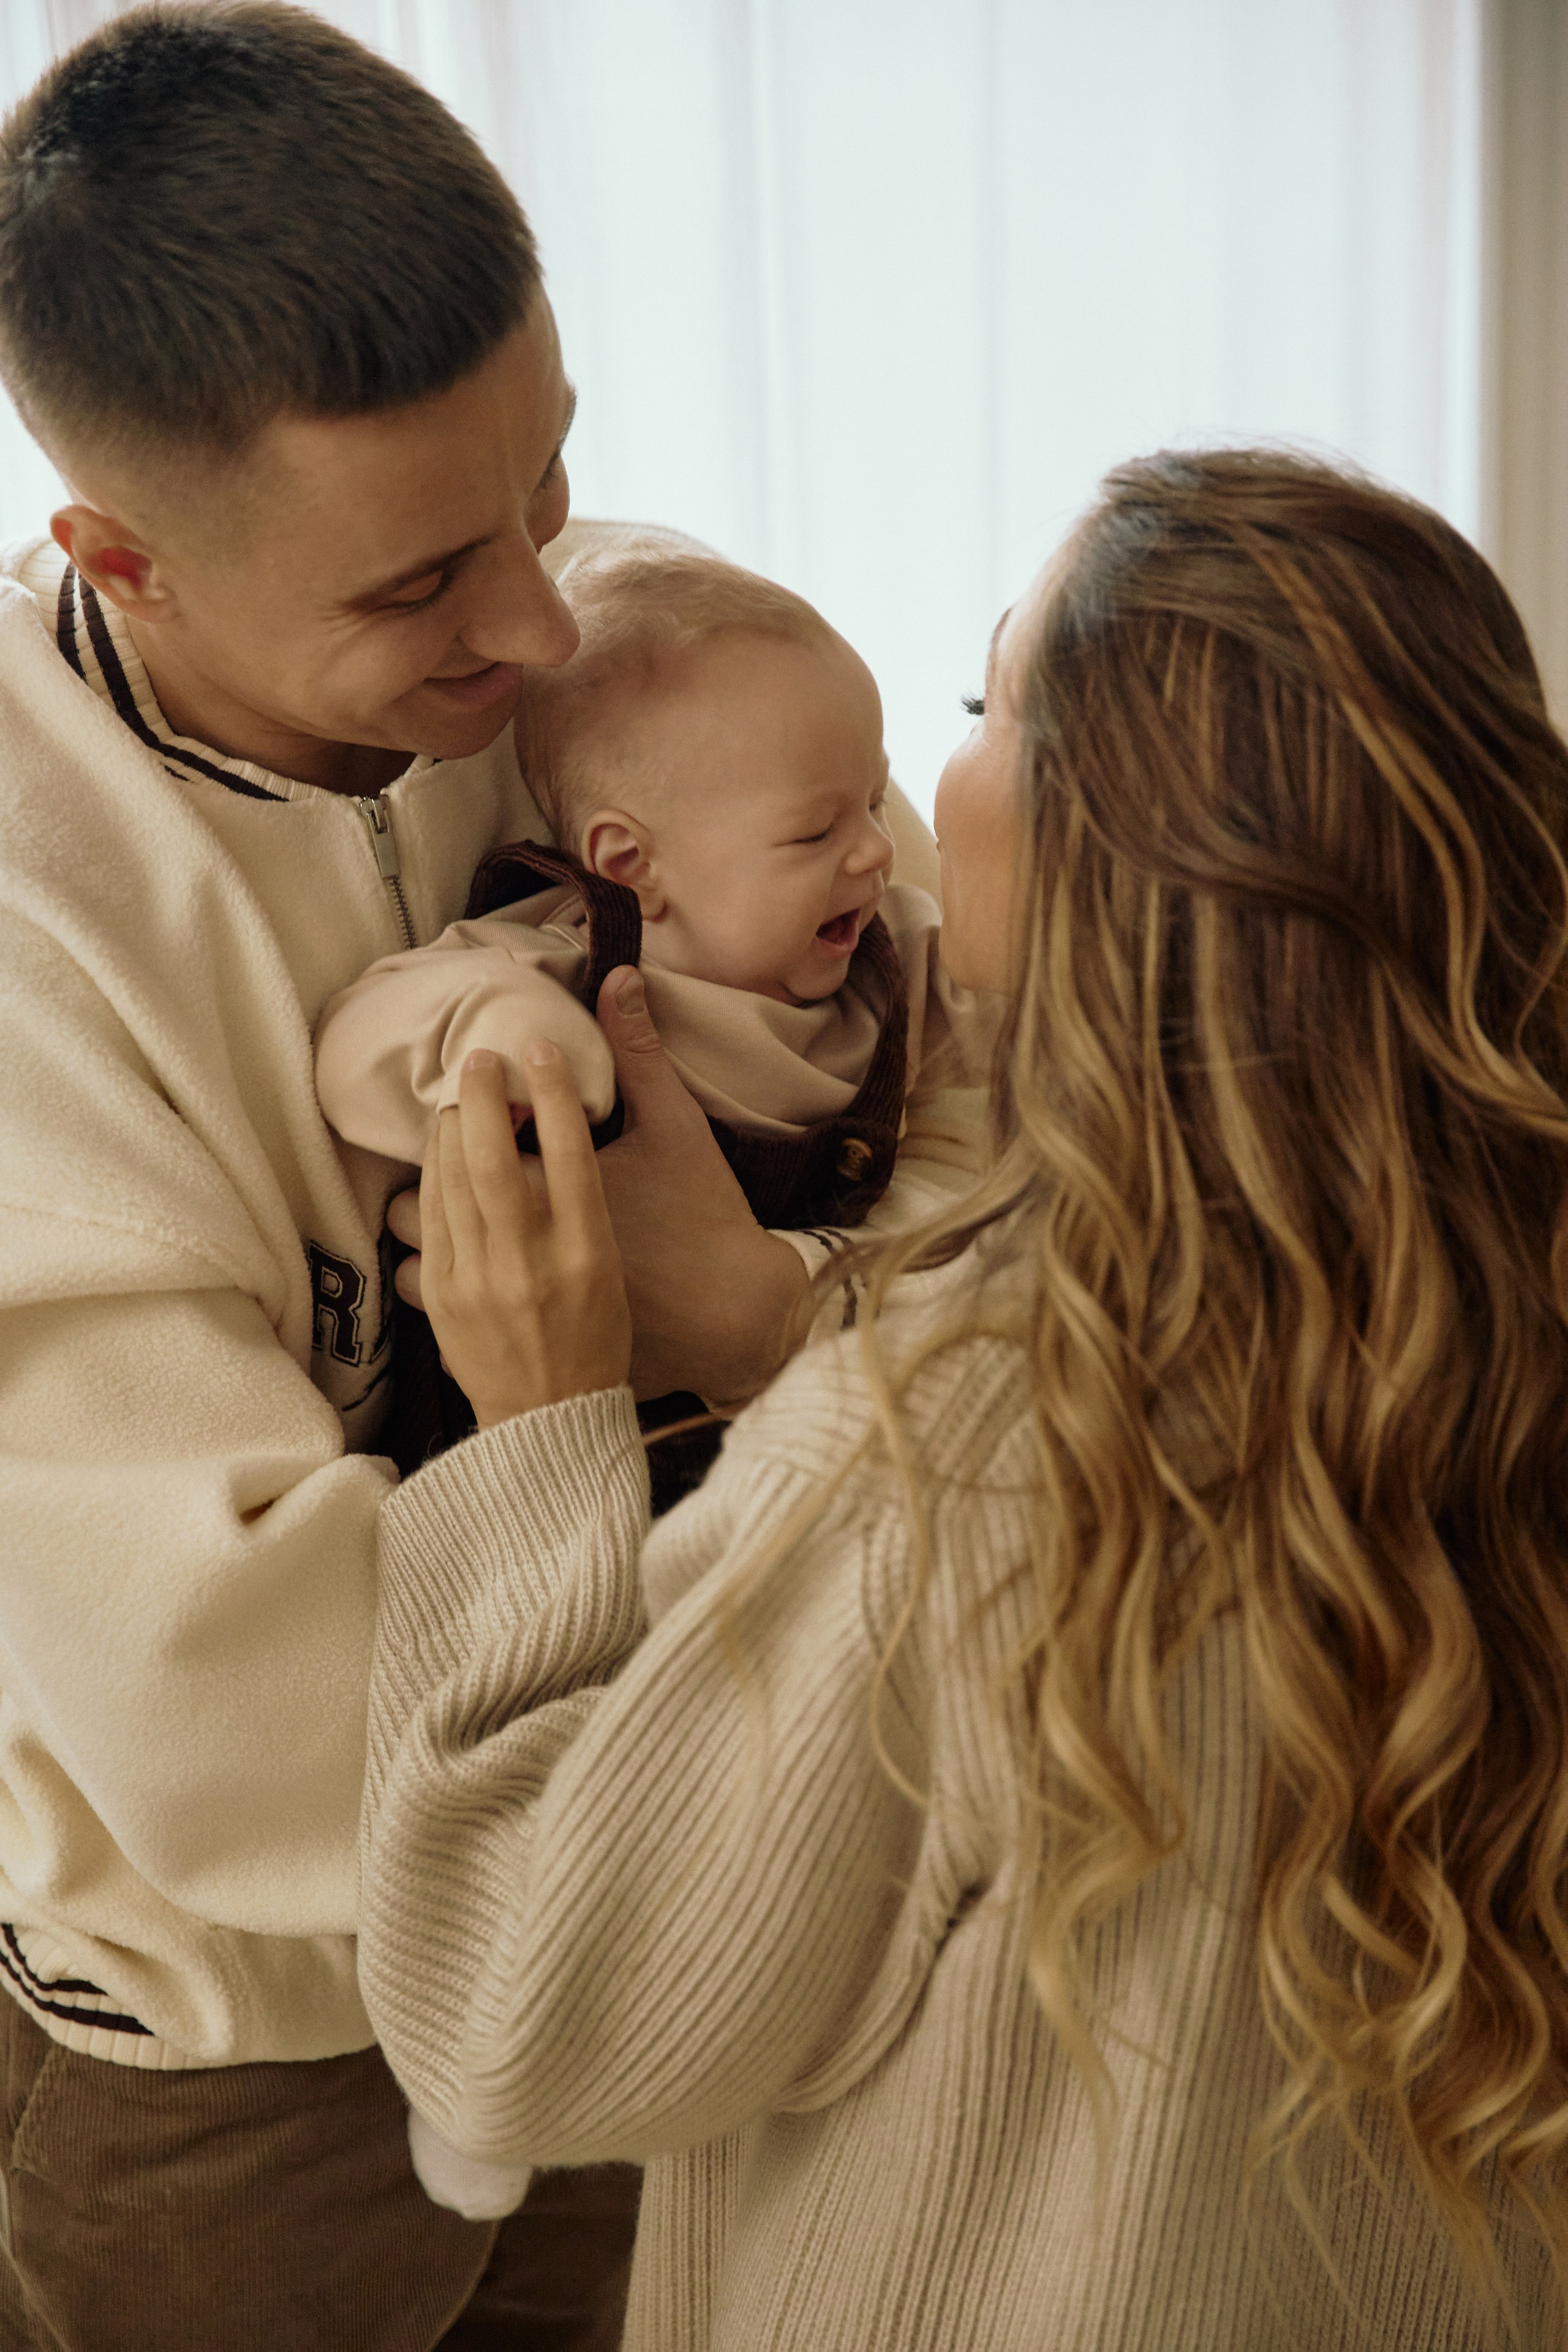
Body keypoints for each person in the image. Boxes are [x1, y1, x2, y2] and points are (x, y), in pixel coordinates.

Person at [361, 450, 1568, 2350]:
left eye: (979, 707)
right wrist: (784, 1323)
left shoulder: (974, 1438)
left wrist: (533, 1436)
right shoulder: (1501, 1315)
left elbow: (523, 2032)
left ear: (1116, 835)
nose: (918, 809)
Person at [0, 6, 920, 2343]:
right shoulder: (34, 931)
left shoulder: (625, 625)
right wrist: (660, 1406)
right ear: (121, 560)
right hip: (254, 2078)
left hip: (666, 1959)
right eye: (422, 586)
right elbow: (229, 1712)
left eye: (549, 481)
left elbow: (933, 1092)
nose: (541, 621)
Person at [314, 543, 993, 1254]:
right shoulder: (568, 962)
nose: (878, 850)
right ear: (634, 863)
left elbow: (1043, 1035)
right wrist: (515, 1037)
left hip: (805, 1340)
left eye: (875, 801)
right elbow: (351, 1046)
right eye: (816, 832)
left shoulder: (898, 957)